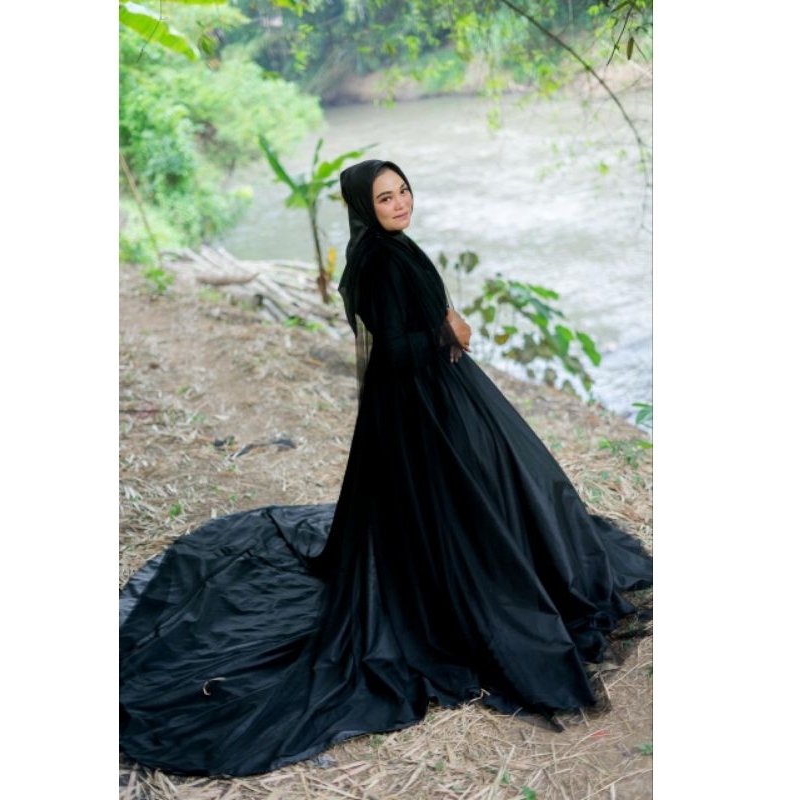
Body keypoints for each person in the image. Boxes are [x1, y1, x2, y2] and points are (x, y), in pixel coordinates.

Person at [119, 159, 653, 778]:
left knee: (495, 491)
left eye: (403, 191)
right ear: (363, 207)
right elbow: (395, 348)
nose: (400, 203)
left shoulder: (390, 248)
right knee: (461, 503)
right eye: (385, 197)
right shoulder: (377, 259)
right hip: (417, 404)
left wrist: (444, 322)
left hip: (432, 396)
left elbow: (410, 320)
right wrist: (450, 330)